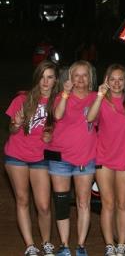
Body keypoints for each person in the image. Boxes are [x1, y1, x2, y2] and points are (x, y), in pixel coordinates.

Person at [3, 61, 58, 256]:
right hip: (16, 155)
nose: (45, 81)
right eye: (42, 77)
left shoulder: (58, 102)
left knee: (43, 204)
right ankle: (30, 245)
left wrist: (52, 136)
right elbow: (10, 129)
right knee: (22, 199)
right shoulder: (22, 99)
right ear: (37, 78)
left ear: (55, 80)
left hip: (40, 157)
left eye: (50, 77)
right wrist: (16, 125)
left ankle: (46, 242)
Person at [48, 60, 97, 256]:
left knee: (83, 202)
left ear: (90, 78)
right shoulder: (61, 96)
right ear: (70, 78)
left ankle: (81, 245)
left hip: (85, 158)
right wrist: (66, 94)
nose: (80, 79)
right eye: (76, 75)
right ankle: (64, 245)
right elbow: (57, 116)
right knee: (61, 202)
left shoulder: (96, 97)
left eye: (85, 75)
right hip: (60, 158)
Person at [86, 64, 125, 256]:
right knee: (108, 203)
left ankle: (121, 244)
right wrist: (99, 95)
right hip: (104, 157)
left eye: (120, 79)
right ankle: (109, 245)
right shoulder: (102, 100)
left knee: (123, 203)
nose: (116, 83)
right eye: (112, 79)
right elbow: (89, 118)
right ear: (106, 80)